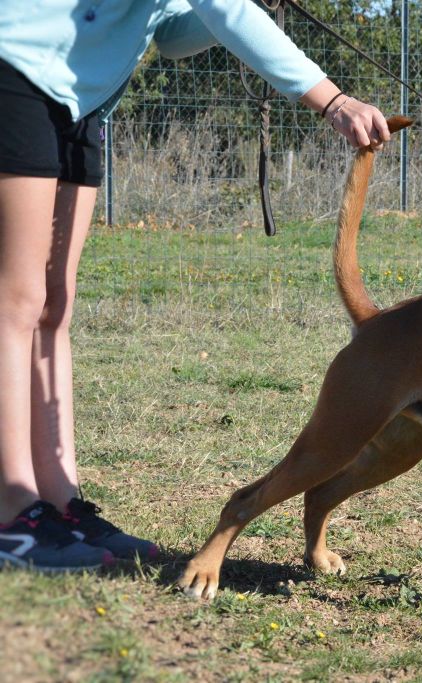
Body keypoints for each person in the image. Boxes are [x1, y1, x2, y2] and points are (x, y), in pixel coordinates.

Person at [0, 0, 391, 571]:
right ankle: (13, 513)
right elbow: (226, 9)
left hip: (80, 98)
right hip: (18, 68)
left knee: (54, 304)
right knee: (17, 301)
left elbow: (176, 36)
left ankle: (60, 506)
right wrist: (333, 99)